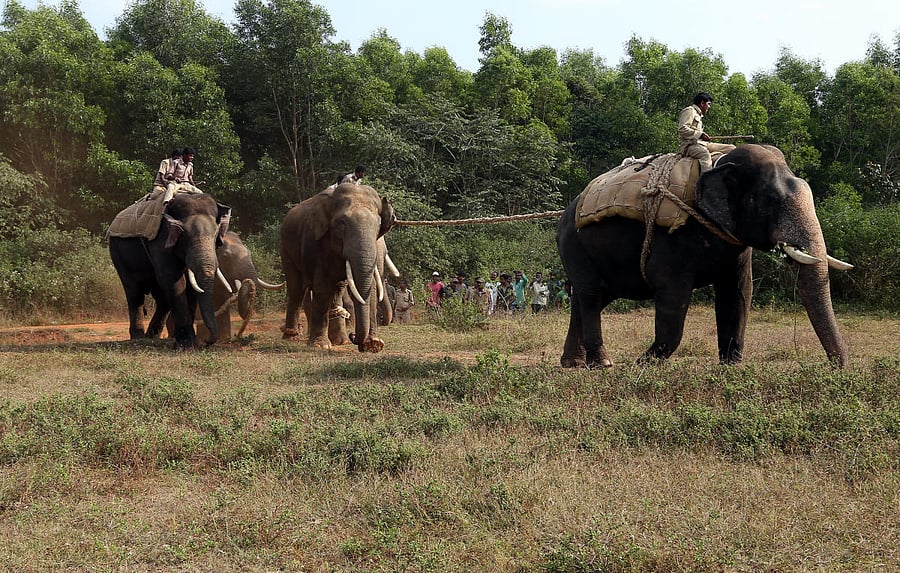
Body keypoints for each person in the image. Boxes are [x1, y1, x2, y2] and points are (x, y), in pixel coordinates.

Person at [677, 93, 736, 173]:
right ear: (702, 103)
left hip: (703, 144)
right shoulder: (689, 111)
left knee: (731, 148)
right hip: (689, 146)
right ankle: (706, 183)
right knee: (705, 155)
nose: (709, 107)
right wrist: (700, 134)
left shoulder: (698, 114)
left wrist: (702, 136)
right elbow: (682, 129)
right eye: (708, 104)